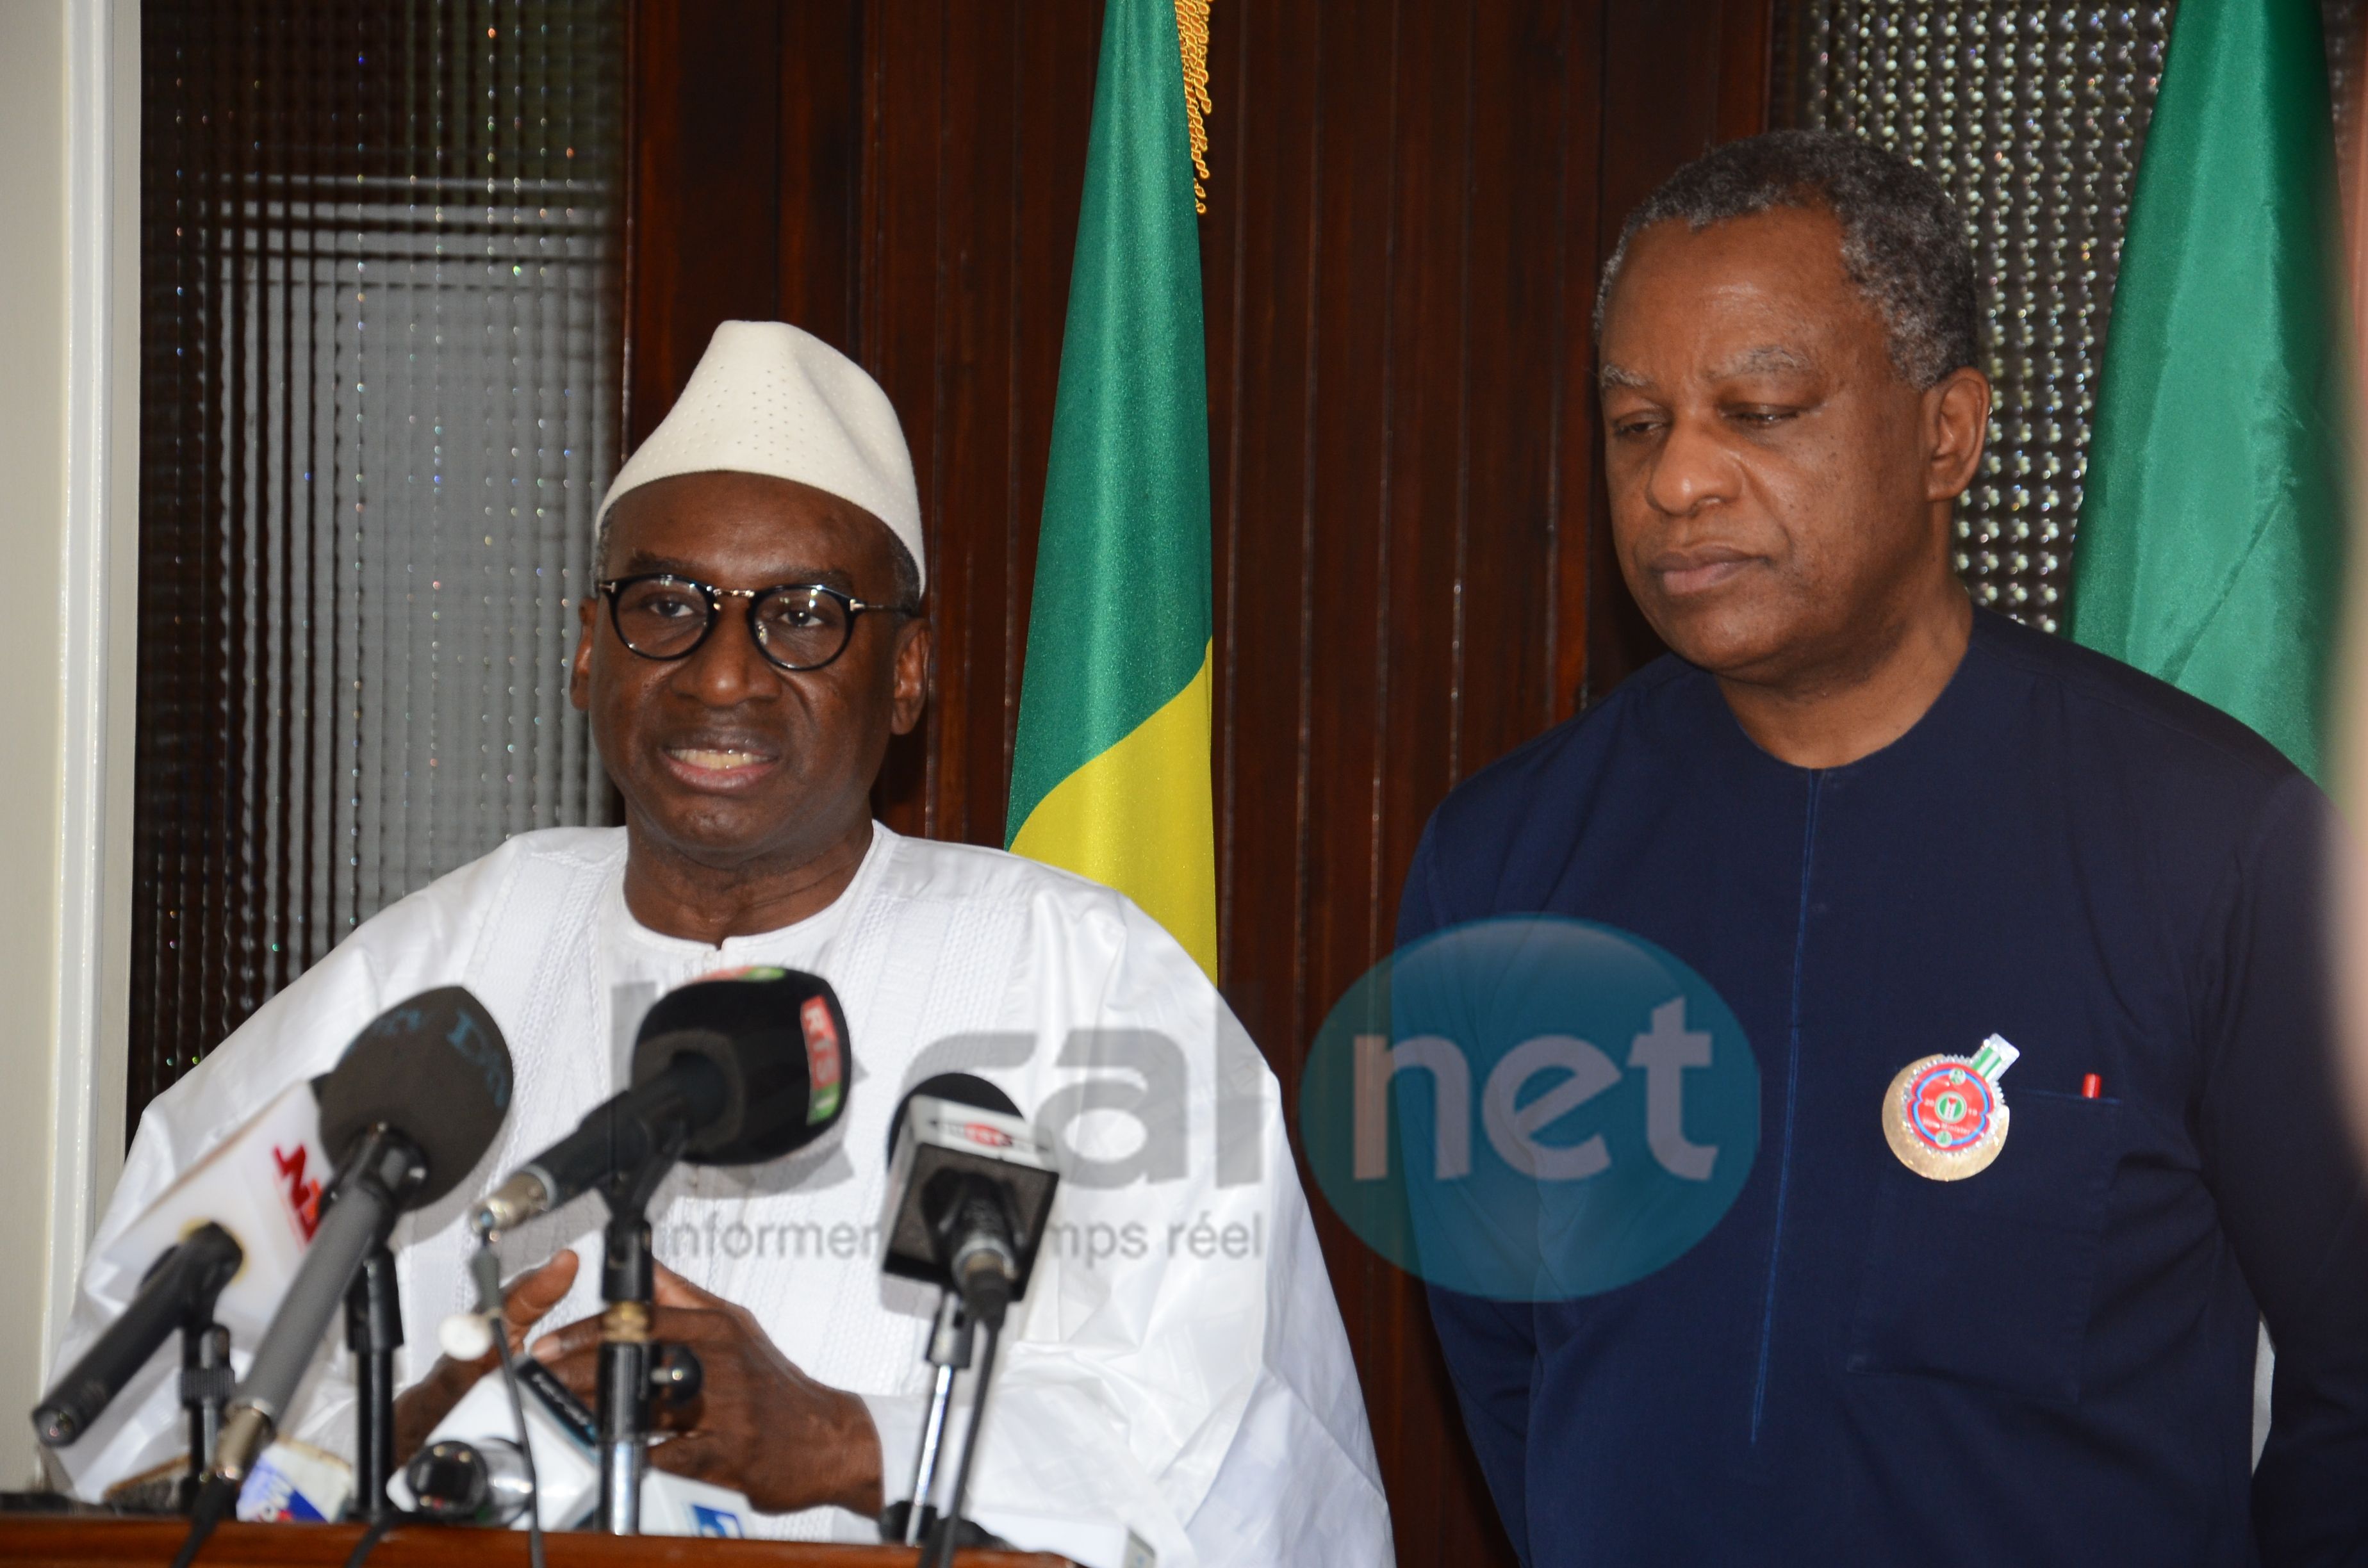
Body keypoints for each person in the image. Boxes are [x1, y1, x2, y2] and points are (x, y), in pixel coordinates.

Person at [56, 320, 1391, 1564]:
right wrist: (385, 1440)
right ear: (589, 650)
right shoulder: (436, 982)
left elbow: (1239, 1446)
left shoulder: (1075, 981)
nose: (725, 673)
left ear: (911, 674)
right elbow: (139, 1381)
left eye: (806, 613)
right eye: (665, 603)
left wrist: (833, 1441)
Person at [1402, 131, 2368, 1565]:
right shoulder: (1505, 858)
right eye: (1635, 424)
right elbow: (1502, 1356)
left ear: (1947, 435)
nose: (1678, 483)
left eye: (1762, 408)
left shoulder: (2217, 844)